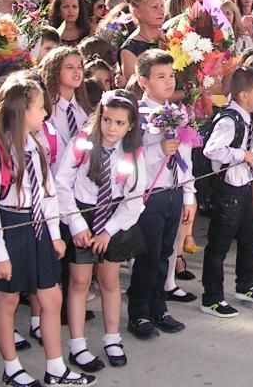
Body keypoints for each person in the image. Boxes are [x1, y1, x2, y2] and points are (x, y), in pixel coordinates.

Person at [0, 75, 94, 386]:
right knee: (7, 301)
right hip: (10, 227)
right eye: (40, 107)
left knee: (51, 298)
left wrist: (54, 234)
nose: (45, 113)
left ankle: (55, 367)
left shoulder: (36, 145)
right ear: (20, 111)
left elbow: (48, 192)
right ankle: (11, 367)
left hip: (38, 226)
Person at [55, 90, 144, 372]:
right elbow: (62, 184)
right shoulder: (82, 143)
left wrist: (109, 231)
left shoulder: (132, 153)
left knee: (109, 281)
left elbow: (134, 199)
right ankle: (77, 345)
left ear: (130, 125)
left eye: (119, 123)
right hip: (82, 215)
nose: (111, 128)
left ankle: (112, 338)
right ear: (99, 118)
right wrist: (76, 224)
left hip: (113, 219)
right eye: (107, 120)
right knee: (79, 282)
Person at [127, 50, 192, 340]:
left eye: (171, 75)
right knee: (148, 257)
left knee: (165, 253)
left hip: (173, 190)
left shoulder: (178, 112)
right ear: (144, 82)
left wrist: (188, 194)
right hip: (149, 194)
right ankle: (139, 312)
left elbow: (185, 154)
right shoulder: (137, 115)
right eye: (161, 76)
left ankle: (159, 307)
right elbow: (128, 157)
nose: (169, 81)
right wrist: (158, 150)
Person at [200, 68, 253, 317]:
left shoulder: (247, 117)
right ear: (243, 95)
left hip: (242, 186)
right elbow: (212, 150)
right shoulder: (229, 120)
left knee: (248, 239)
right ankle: (212, 297)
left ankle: (245, 285)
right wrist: (242, 155)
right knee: (219, 245)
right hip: (228, 190)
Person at [38, 47, 90, 165]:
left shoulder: (84, 109)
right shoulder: (46, 110)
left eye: (79, 67)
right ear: (55, 71)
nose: (77, 72)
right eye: (69, 68)